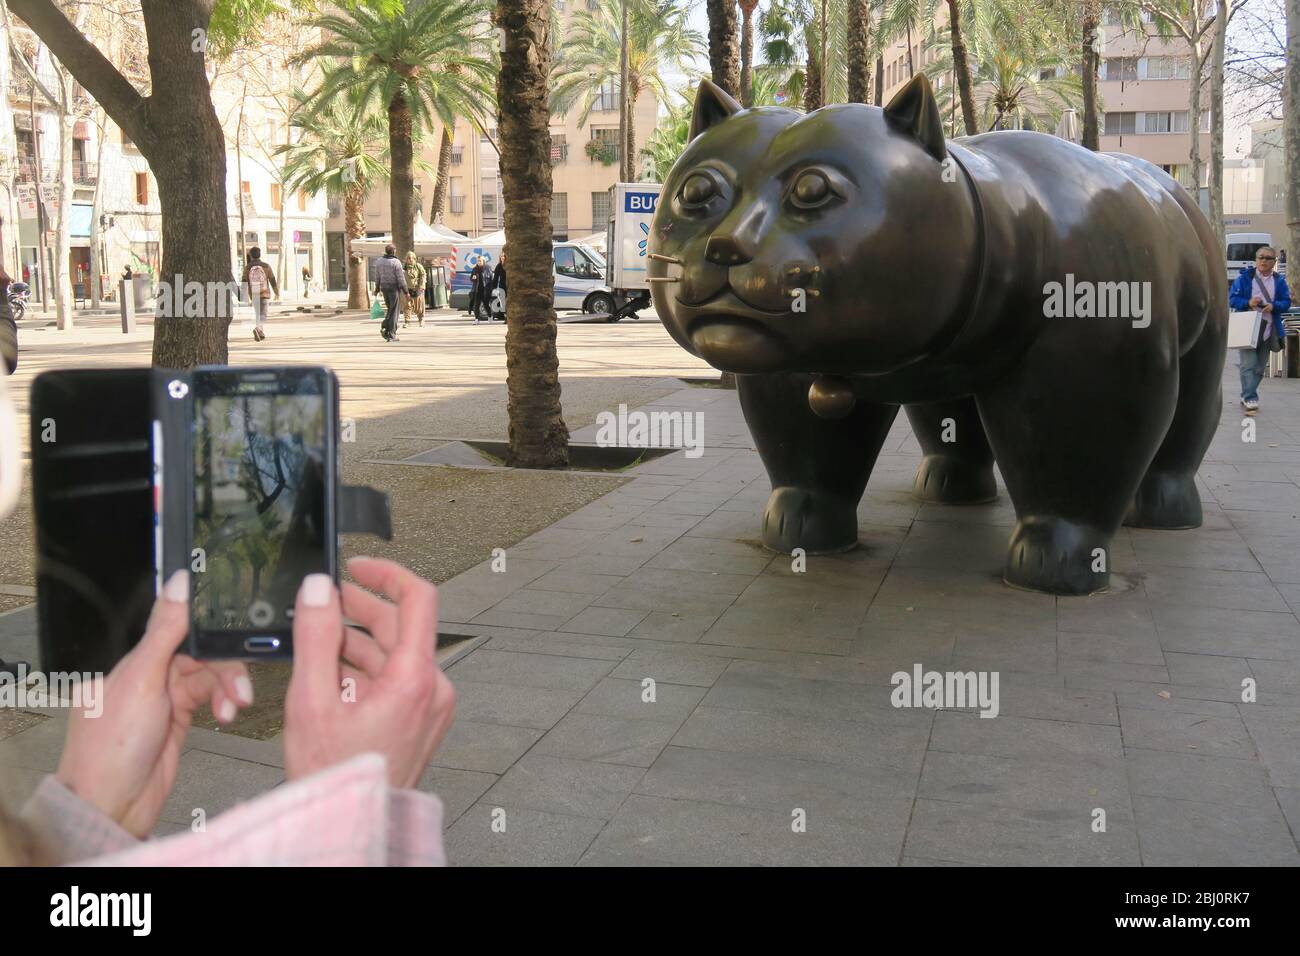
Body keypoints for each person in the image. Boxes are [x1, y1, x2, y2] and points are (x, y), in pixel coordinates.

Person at [1230, 245, 1292, 413]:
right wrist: (1248, 303)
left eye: (1268, 258)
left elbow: (1286, 302)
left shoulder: (1279, 281)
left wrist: (1274, 306)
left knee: (1259, 367)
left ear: (1274, 262)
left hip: (1269, 329)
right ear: (1256, 260)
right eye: (1261, 258)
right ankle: (1250, 397)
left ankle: (1246, 394)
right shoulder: (1244, 279)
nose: (1264, 261)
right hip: (1247, 327)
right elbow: (1232, 299)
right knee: (1248, 364)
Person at [241, 247, 279, 342]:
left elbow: (244, 282)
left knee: (258, 314)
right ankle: (258, 329)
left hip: (253, 294)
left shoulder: (248, 267)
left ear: (251, 256)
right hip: (264, 293)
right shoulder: (266, 266)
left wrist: (243, 294)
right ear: (260, 254)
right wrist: (276, 292)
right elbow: (272, 280)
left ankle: (260, 332)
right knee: (263, 314)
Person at [372, 243, 407, 342]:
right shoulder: (396, 262)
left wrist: (377, 289)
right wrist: (406, 291)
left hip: (384, 289)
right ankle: (391, 334)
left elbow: (377, 277)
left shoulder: (379, 261)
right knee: (394, 311)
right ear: (394, 251)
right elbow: (401, 278)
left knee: (390, 310)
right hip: (394, 289)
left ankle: (386, 328)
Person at [402, 251, 426, 328]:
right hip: (407, 289)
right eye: (408, 258)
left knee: (419, 306)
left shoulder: (418, 266)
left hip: (417, 289)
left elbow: (423, 275)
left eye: (411, 258)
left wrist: (421, 286)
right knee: (407, 305)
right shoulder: (404, 267)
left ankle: (421, 320)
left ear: (414, 259)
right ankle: (407, 321)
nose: (410, 260)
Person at [489, 252, 507, 322]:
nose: (502, 257)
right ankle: (506, 318)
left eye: (504, 256)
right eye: (501, 256)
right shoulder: (498, 266)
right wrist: (493, 288)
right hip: (502, 287)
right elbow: (496, 278)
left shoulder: (509, 265)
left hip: (510, 287)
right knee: (503, 303)